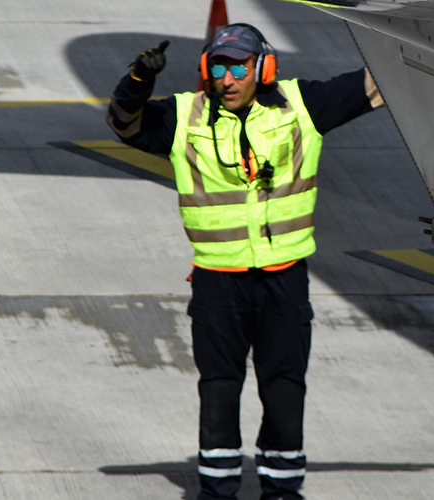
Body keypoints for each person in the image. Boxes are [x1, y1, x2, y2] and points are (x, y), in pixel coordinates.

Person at [106, 24, 384, 500]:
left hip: (284, 279)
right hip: (218, 280)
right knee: (219, 386)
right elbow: (123, 124)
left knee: (284, 385)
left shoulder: (301, 106)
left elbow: (379, 83)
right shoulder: (186, 115)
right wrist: (137, 80)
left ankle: (282, 490)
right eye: (219, 69)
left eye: (238, 68)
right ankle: (217, 490)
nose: (228, 80)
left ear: (263, 69)